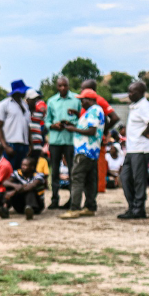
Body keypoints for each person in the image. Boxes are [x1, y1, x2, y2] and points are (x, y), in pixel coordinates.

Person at [60, 89, 106, 220]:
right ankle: (90, 206)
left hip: (84, 151)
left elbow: (91, 131)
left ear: (90, 99)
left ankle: (74, 208)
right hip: (92, 151)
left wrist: (73, 129)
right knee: (90, 179)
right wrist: (74, 124)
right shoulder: (94, 111)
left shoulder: (93, 111)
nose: (81, 102)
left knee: (77, 178)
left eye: (83, 99)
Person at [118, 80, 149, 219]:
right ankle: (132, 206)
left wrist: (145, 132)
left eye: (132, 92)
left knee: (138, 179)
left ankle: (139, 209)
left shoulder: (143, 105)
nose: (129, 94)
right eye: (129, 91)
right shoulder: (135, 106)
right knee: (125, 177)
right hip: (132, 148)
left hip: (141, 149)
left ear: (141, 92)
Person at [79, 79, 120, 194]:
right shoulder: (86, 102)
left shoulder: (99, 100)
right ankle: (92, 187)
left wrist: (103, 130)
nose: (81, 91)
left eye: (84, 89)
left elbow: (115, 117)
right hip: (86, 138)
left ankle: (99, 187)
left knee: (98, 164)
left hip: (94, 138)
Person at [44, 76, 78, 209]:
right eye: (60, 86)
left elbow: (81, 118)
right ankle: (54, 199)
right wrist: (53, 125)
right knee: (55, 171)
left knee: (72, 171)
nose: (63, 88)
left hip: (70, 140)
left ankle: (72, 199)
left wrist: (72, 123)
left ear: (69, 86)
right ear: (57, 87)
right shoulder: (52, 101)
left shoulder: (76, 100)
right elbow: (47, 121)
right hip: (55, 140)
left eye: (65, 85)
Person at [0, 80, 32, 170]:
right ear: (18, 91)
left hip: (24, 144)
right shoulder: (4, 105)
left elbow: (28, 126)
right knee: (8, 170)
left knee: (20, 171)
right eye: (23, 90)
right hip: (10, 143)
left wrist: (30, 145)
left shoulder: (25, 106)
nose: (25, 92)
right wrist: (5, 146)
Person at [26, 89, 47, 156]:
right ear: (27, 100)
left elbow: (45, 126)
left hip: (37, 144)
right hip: (27, 145)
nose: (34, 101)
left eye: (36, 99)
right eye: (32, 99)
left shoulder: (39, 113)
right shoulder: (24, 113)